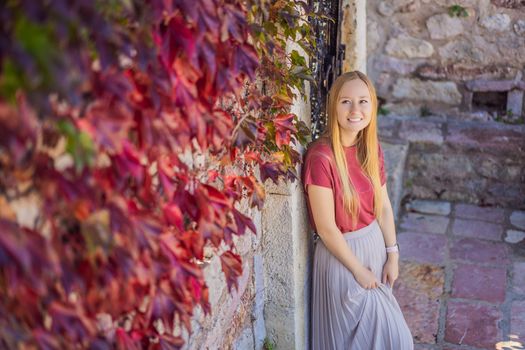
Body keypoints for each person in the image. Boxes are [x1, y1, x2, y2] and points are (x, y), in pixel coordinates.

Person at [302, 71, 413, 350]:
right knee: (395, 341)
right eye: (346, 102)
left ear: (372, 107)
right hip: (343, 258)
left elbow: (384, 208)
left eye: (363, 101)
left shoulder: (371, 149)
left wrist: (392, 255)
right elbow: (326, 228)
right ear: (333, 107)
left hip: (375, 248)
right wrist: (358, 271)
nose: (355, 110)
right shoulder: (321, 157)